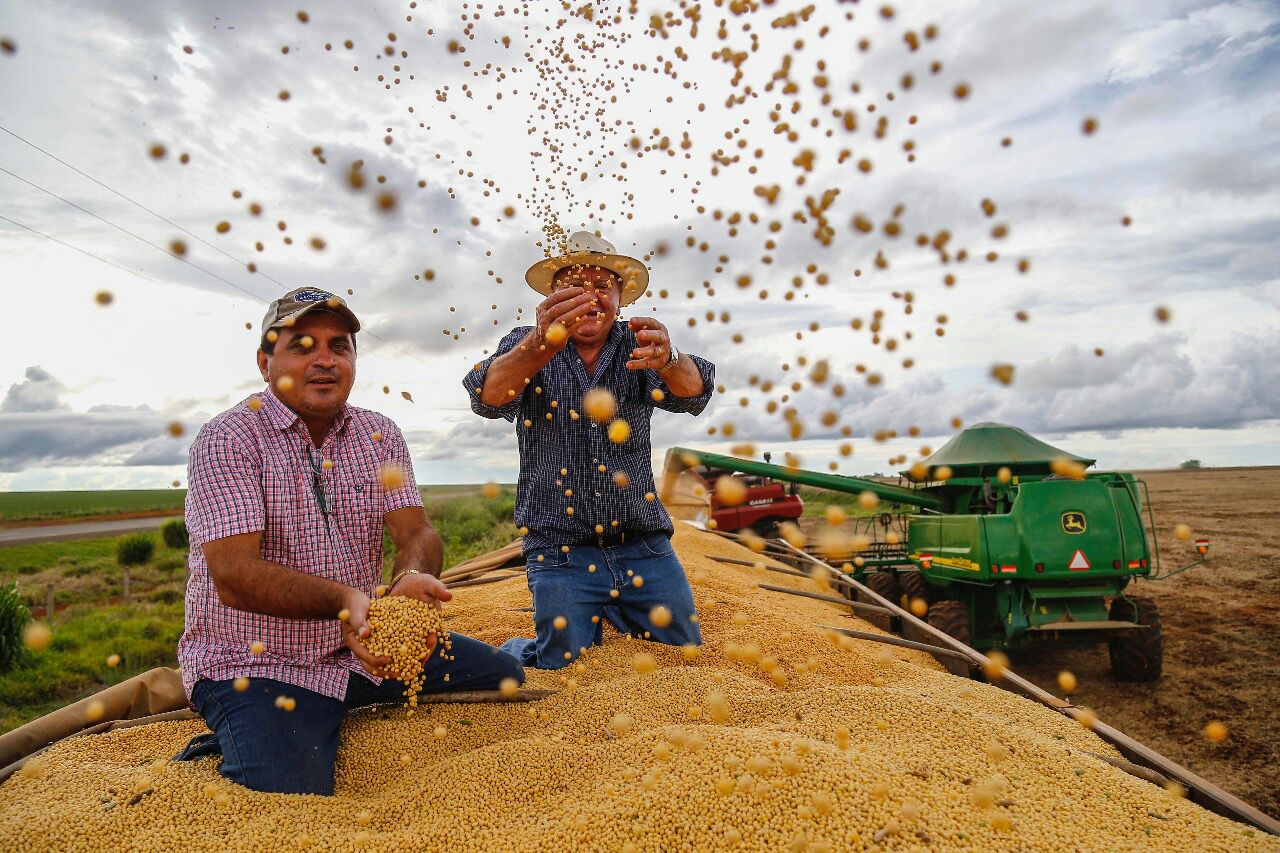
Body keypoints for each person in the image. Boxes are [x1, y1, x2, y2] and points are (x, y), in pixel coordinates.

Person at [175, 286, 524, 795]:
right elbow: (233, 577)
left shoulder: (377, 434)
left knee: (507, 673)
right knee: (289, 792)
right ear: (265, 361)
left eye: (338, 346)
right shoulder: (229, 438)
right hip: (256, 661)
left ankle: (328, 709)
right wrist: (344, 603)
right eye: (301, 345)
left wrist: (410, 577)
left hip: (364, 646)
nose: (324, 360)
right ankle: (239, 731)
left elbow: (416, 530)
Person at [463, 231, 716, 669]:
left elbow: (695, 393)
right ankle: (524, 646)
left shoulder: (638, 344)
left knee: (683, 652)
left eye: (602, 287)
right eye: (575, 287)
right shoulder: (526, 342)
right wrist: (542, 344)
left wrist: (671, 359)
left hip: (643, 544)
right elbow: (488, 396)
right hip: (561, 548)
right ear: (554, 297)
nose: (589, 297)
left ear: (621, 299)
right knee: (562, 663)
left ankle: (614, 610)